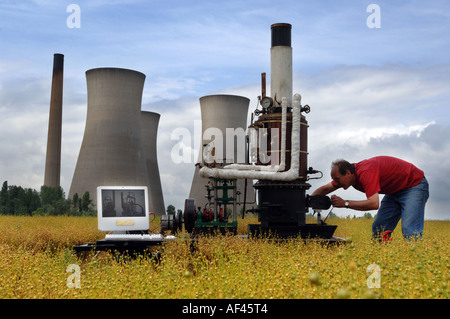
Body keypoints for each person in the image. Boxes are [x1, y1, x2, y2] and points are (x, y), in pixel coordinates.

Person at [311, 156, 429, 241]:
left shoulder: (366, 172)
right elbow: (326, 189)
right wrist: (309, 200)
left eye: (337, 179)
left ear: (347, 173)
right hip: (394, 191)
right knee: (379, 228)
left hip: (414, 185)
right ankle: (383, 260)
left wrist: (345, 203)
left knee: (410, 229)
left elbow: (373, 204)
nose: (336, 182)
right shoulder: (348, 177)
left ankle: (416, 267)